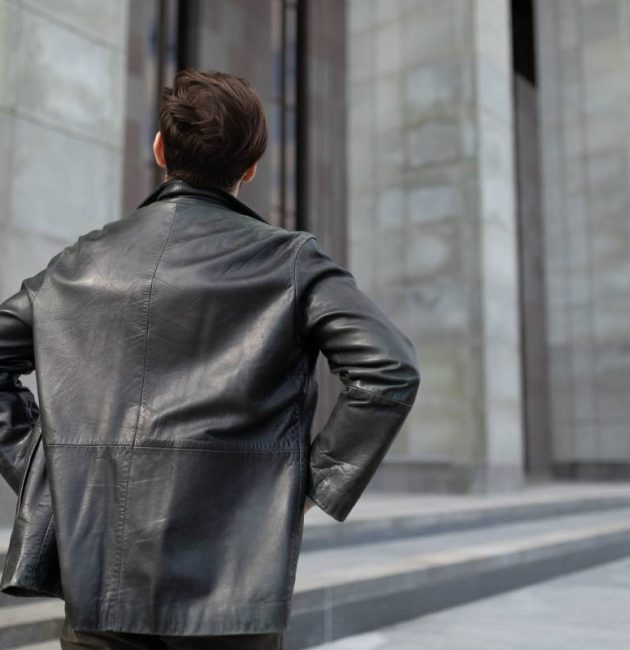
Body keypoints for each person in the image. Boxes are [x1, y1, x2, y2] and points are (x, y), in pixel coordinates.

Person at [0, 69, 420, 649]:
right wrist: (306, 480)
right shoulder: (290, 260)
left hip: (100, 574)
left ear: (158, 149)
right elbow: (390, 369)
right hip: (231, 582)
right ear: (250, 167)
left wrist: (50, 466)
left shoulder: (81, 262)